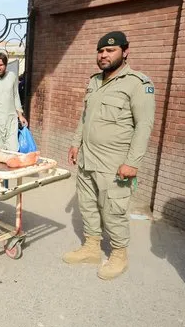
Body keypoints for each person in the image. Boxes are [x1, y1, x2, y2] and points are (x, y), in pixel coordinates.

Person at [64, 31, 155, 280]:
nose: (104, 55)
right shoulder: (94, 81)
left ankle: (118, 255)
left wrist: (132, 162)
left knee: (114, 210)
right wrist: (75, 143)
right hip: (88, 159)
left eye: (110, 50)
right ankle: (92, 248)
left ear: (125, 52)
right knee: (88, 206)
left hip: (115, 163)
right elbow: (85, 118)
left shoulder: (137, 84)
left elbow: (144, 125)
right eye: (101, 51)